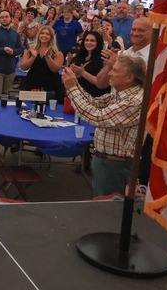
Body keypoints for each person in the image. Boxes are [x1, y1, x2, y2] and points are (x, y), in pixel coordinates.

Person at [62, 55, 145, 196]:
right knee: (102, 204)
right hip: (107, 162)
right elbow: (95, 103)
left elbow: (97, 117)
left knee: (108, 209)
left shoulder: (135, 101)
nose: (110, 73)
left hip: (115, 166)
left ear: (129, 78)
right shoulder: (122, 94)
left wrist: (72, 89)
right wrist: (74, 84)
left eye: (114, 70)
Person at [20, 25, 66, 102]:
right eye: (42, 33)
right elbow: (23, 67)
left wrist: (48, 57)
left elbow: (55, 69)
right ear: (38, 35)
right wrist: (33, 57)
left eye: (47, 34)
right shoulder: (30, 49)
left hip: (51, 85)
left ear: (51, 37)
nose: (44, 35)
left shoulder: (57, 52)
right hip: (33, 83)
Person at [0, 10, 23, 99]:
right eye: (2, 17)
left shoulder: (15, 33)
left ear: (11, 18)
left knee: (5, 95)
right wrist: (3, 50)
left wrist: (13, 52)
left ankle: (2, 113)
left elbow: (20, 49)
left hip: (10, 70)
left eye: (6, 17)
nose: (4, 19)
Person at [69, 31, 111, 98]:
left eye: (92, 41)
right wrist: (75, 74)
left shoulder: (103, 58)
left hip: (96, 96)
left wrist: (82, 73)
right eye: (86, 40)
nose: (88, 43)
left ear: (98, 43)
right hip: (78, 95)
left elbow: (100, 82)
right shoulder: (79, 56)